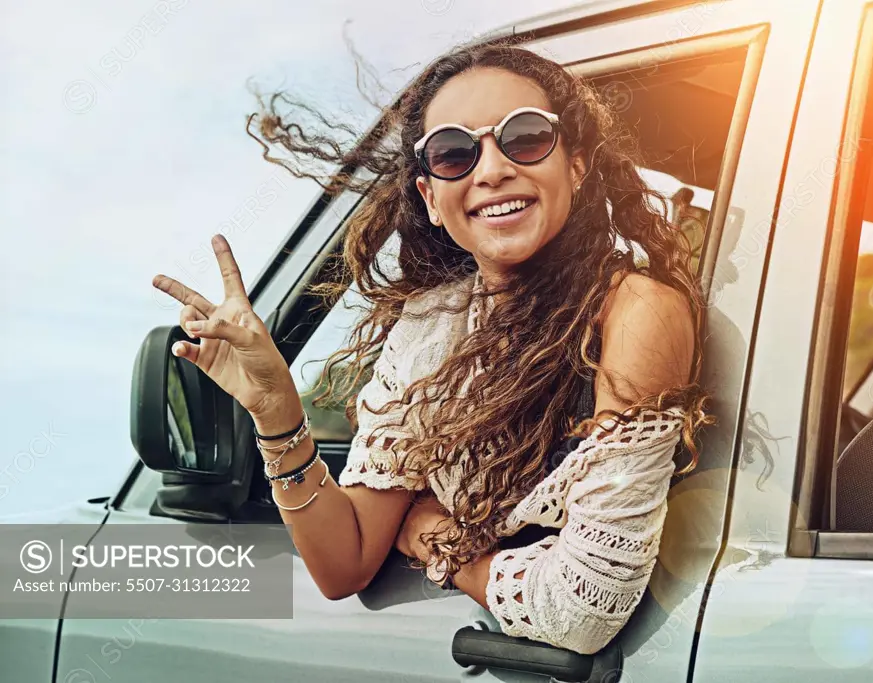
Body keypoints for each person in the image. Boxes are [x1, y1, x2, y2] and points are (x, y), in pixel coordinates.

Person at [151, 39, 712, 655]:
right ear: (430, 199)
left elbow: (580, 610)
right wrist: (276, 409)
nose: (492, 169)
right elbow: (344, 565)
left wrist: (431, 534)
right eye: (454, 153)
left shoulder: (636, 312)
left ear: (576, 165)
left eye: (525, 138)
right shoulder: (433, 323)